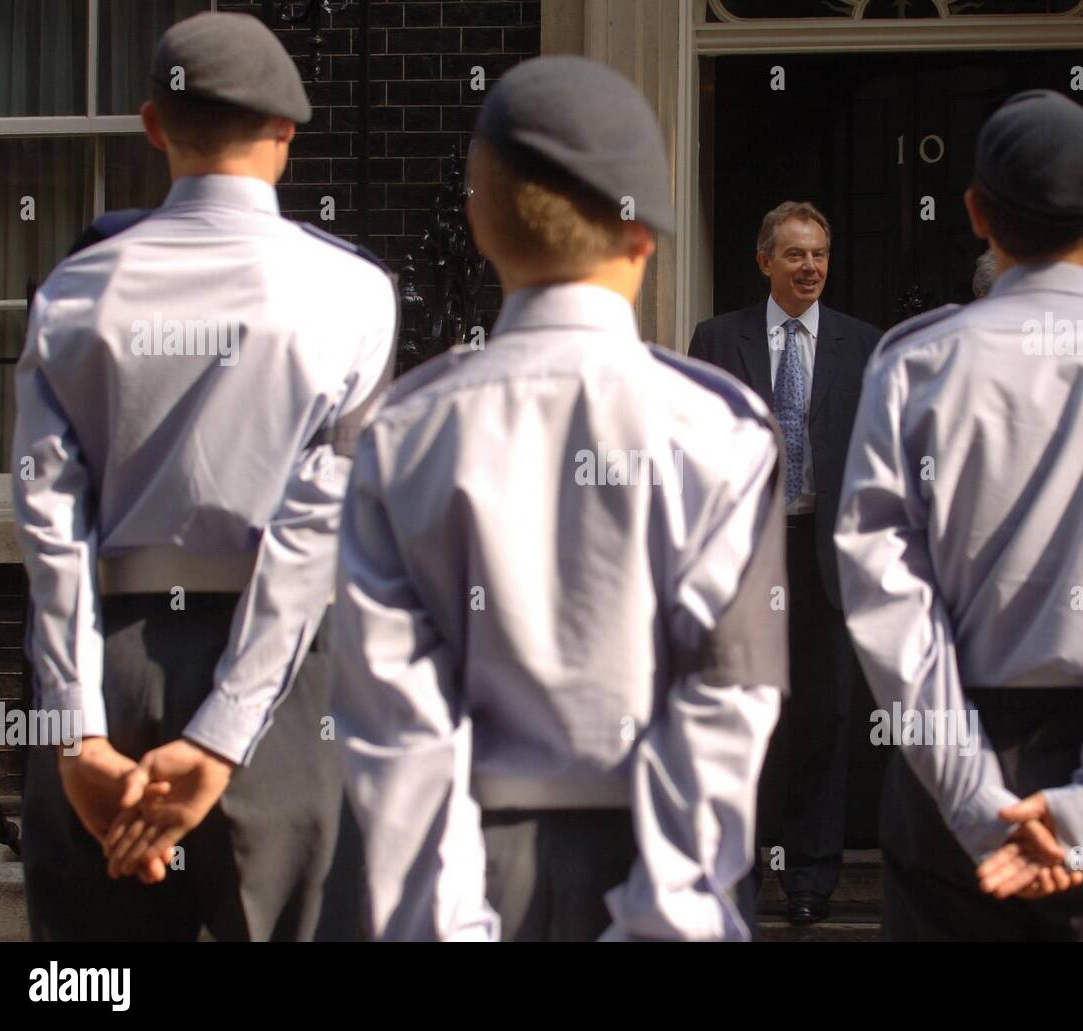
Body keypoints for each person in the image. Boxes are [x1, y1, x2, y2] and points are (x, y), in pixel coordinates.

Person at [332, 55, 787, 942]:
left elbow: (396, 721)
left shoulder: (403, 432)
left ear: (481, 224)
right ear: (646, 235)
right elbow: (729, 699)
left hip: (466, 864)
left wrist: (448, 922)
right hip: (653, 862)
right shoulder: (721, 429)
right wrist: (663, 917)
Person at [12, 11, 395, 941]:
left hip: (109, 657)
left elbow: (49, 519)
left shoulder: (74, 288)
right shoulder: (352, 292)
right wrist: (223, 731)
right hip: (287, 674)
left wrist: (77, 728)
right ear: (286, 133)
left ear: (152, 126)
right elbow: (315, 529)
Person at [835, 89, 1083, 941]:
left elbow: (887, 599)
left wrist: (975, 797)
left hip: (950, 762)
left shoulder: (914, 366)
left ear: (976, 213)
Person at [688, 202, 881, 926]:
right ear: (764, 259)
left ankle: (809, 876)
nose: (810, 267)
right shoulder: (717, 338)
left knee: (825, 716)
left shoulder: (862, 344)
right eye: (796, 254)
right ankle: (737, 868)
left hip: (825, 553)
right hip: (747, 554)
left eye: (820, 254)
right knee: (744, 712)